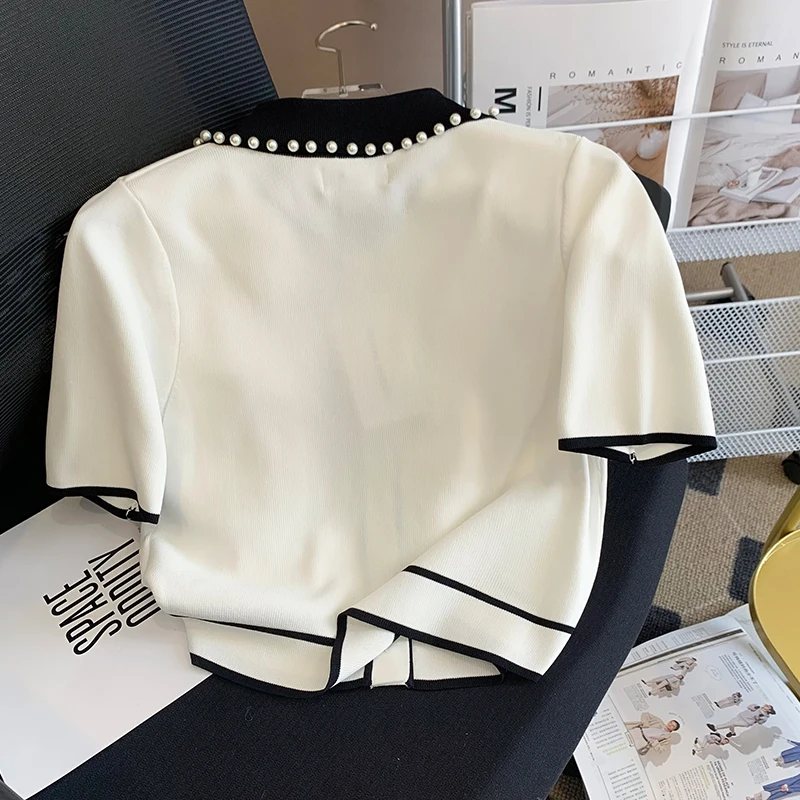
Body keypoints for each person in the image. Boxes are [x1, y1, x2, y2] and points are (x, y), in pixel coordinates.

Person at [709, 704, 776, 736]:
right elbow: (748, 706)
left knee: (732, 723)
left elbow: (760, 723)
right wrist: (753, 707)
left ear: (769, 710)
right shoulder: (758, 707)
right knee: (731, 723)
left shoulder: (764, 717)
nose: (765, 705)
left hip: (746, 722)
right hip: (741, 715)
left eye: (767, 706)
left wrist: (758, 719)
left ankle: (716, 728)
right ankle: (732, 733)